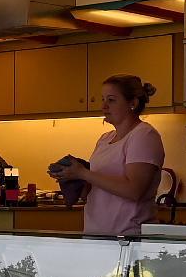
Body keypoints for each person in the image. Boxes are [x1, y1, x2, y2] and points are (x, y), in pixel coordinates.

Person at [62, 74, 166, 236]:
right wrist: (73, 177)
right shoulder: (105, 139)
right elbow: (94, 190)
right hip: (96, 235)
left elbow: (134, 190)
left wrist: (84, 173)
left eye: (111, 100)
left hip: (127, 237)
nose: (104, 106)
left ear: (132, 103)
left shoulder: (144, 135)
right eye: (102, 99)